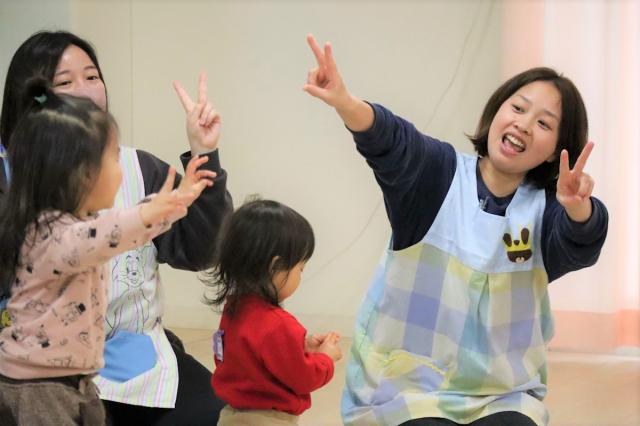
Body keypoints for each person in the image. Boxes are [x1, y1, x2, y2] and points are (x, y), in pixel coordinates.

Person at [303, 34, 608, 426]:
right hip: (407, 388)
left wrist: (578, 208)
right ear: (497, 111)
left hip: (503, 393)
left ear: (555, 150)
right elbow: (392, 141)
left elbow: (581, 243)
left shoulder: (547, 211)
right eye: (518, 107)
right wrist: (345, 102)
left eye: (544, 123)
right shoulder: (437, 173)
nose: (524, 124)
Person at [0, 31, 233, 424]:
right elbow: (104, 233)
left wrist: (203, 157)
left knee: (213, 414)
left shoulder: (135, 164)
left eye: (92, 76)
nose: (86, 90)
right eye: (65, 81)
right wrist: (156, 209)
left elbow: (200, 250)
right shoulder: (50, 223)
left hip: (124, 358)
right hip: (39, 374)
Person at [205, 198, 343, 425]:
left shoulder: (233, 309)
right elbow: (304, 378)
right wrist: (325, 358)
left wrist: (301, 347)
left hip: (231, 416)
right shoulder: (279, 324)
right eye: (300, 268)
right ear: (275, 267)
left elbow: (252, 358)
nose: (300, 276)